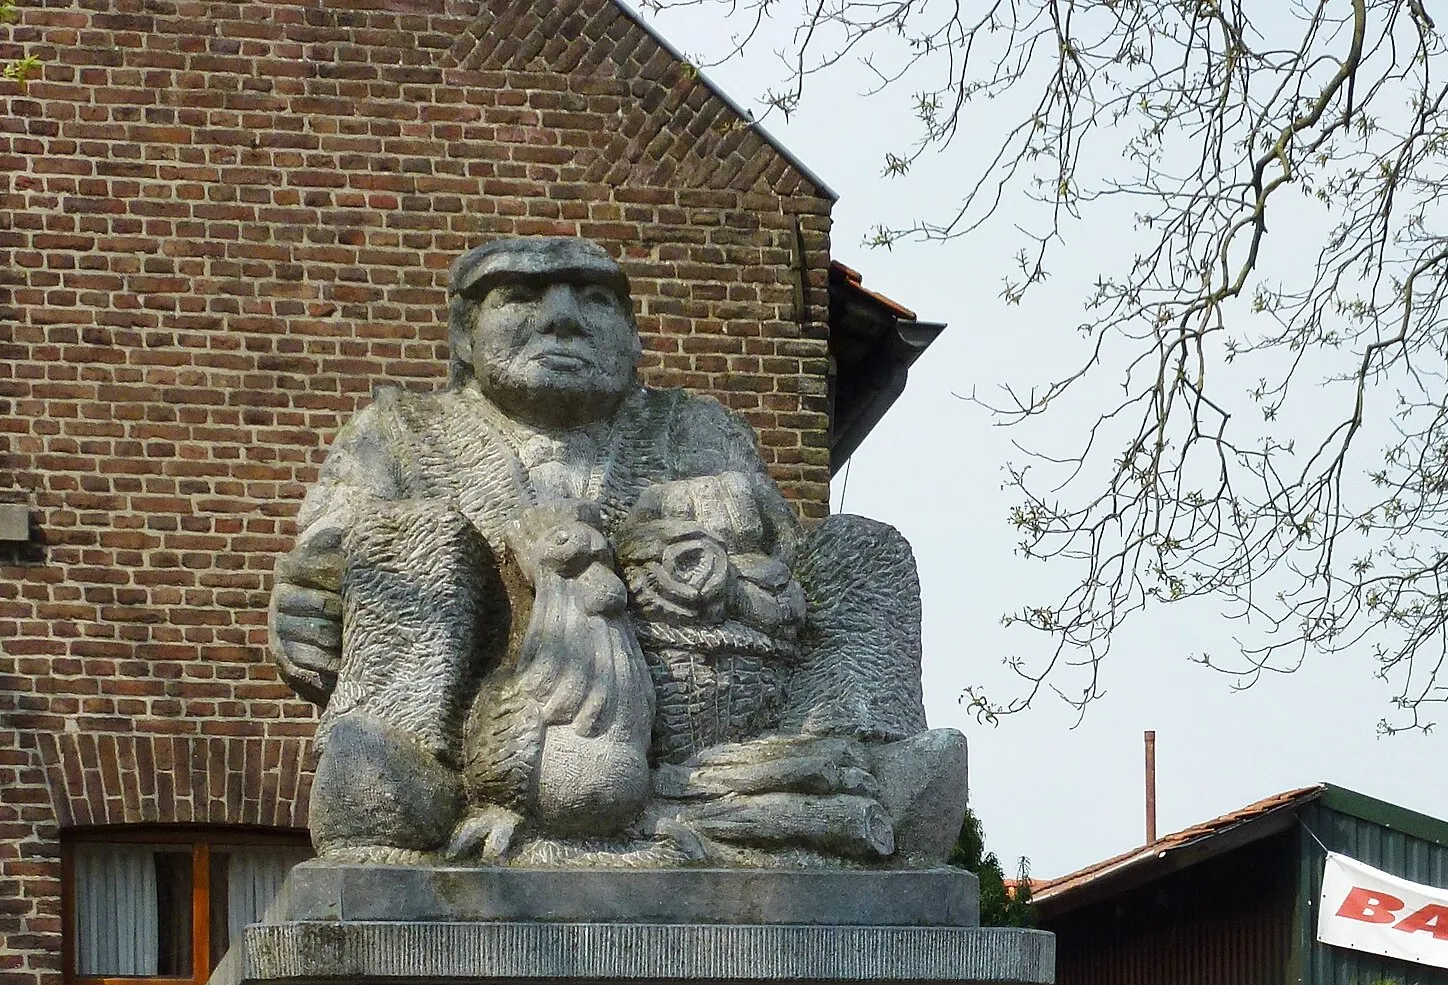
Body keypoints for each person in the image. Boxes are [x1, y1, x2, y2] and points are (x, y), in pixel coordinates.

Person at [269, 235, 965, 869]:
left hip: (695, 731)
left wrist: (727, 519)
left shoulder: (696, 429)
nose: (563, 318)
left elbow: (786, 572)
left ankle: (862, 754)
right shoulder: (397, 434)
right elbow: (327, 567)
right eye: (520, 297)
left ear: (633, 339)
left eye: (596, 301)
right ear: (463, 334)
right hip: (481, 727)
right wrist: (306, 607)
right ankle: (400, 776)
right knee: (408, 537)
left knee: (864, 548)